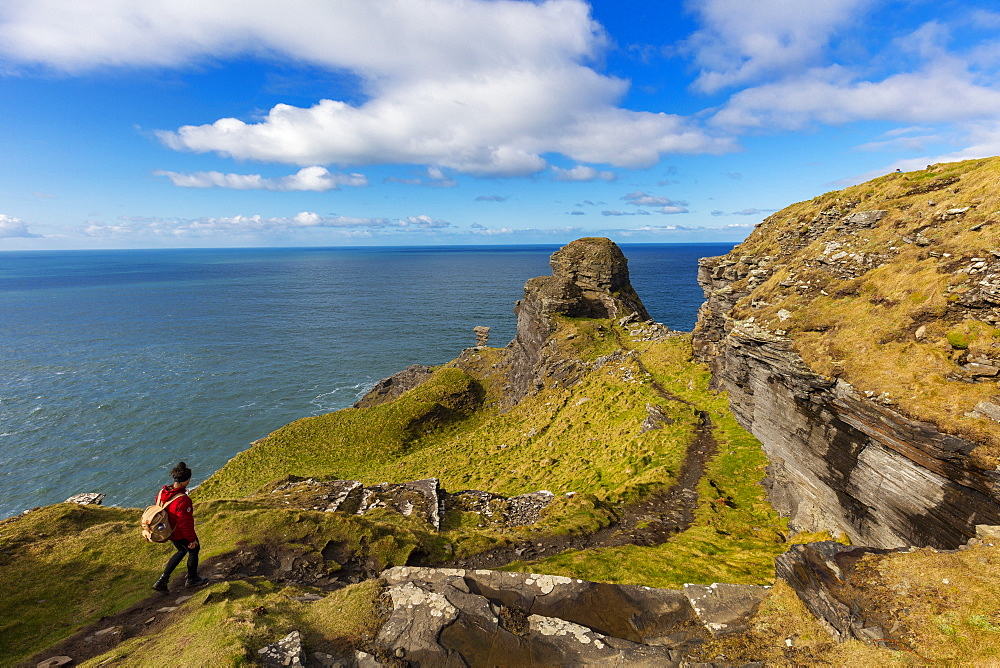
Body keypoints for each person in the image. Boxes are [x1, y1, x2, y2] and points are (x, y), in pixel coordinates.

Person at [152, 461, 209, 592]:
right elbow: (185, 523)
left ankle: (162, 580)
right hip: (178, 531)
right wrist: (191, 540)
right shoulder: (182, 499)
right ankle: (192, 579)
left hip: (167, 529)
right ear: (186, 480)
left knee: (182, 551)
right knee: (194, 549)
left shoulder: (163, 491)